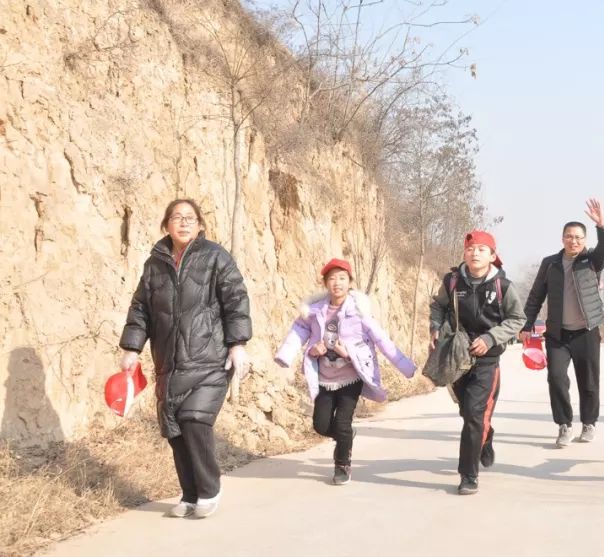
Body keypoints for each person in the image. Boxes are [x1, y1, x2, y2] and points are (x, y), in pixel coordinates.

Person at [119, 199, 252, 519]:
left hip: (210, 360)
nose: (183, 223)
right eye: (176, 217)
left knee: (195, 419)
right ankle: (190, 494)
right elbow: (141, 310)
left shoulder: (215, 257)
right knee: (175, 430)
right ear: (166, 225)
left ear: (200, 225)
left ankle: (209, 489)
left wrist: (237, 344)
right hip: (170, 364)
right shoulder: (154, 265)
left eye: (190, 218)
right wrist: (132, 349)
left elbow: (235, 298)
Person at [274, 258, 416, 485]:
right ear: (325, 283)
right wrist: (308, 351)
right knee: (320, 425)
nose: (336, 283)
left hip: (352, 376)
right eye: (331, 279)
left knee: (342, 422)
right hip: (324, 377)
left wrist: (404, 366)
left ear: (350, 282)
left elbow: (382, 340)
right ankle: (346, 436)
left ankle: (342, 465)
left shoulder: (359, 311)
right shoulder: (314, 311)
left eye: (342, 278)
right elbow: (298, 332)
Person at [430, 230, 526, 495]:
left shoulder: (503, 287)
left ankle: (468, 475)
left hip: (487, 359)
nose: (475, 253)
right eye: (471, 249)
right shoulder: (452, 281)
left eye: (482, 250)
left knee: (473, 415)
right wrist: (436, 326)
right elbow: (438, 306)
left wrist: (491, 337)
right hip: (458, 356)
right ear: (465, 253)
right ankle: (486, 436)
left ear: (493, 256)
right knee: (467, 412)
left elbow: (518, 319)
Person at [521, 198, 604, 448]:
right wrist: (526, 324)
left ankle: (589, 423)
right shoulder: (550, 263)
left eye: (579, 237)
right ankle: (564, 424)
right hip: (557, 334)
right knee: (556, 377)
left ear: (584, 241)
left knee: (589, 381)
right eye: (569, 236)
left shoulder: (591, 261)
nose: (574, 241)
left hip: (587, 332)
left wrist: (602, 226)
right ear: (562, 239)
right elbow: (536, 295)